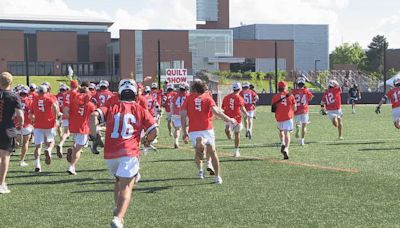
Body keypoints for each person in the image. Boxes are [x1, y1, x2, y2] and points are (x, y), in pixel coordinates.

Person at [90, 79, 158, 228]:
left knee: (119, 181)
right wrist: (147, 141)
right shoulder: (140, 109)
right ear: (135, 93)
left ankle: (117, 207)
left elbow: (93, 116)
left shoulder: (112, 106)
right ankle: (118, 218)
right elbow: (153, 131)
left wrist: (94, 136)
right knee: (127, 186)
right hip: (129, 152)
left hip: (110, 154)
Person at [181, 79, 237, 184]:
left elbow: (183, 115)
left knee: (211, 150)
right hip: (197, 130)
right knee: (201, 146)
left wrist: (184, 131)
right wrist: (230, 119)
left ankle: (217, 176)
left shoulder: (199, 98)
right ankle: (201, 169)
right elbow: (217, 112)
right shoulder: (198, 98)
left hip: (205, 130)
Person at [63, 81, 96, 175]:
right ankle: (72, 166)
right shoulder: (90, 105)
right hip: (83, 127)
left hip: (73, 125)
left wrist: (70, 117)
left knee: (77, 144)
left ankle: (73, 150)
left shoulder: (74, 101)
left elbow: (65, 109)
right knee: (79, 148)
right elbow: (93, 117)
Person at [0, 72, 23, 194]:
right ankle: (1, 184)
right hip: (6, 129)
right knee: (5, 157)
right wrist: (20, 127)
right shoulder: (14, 96)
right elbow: (20, 115)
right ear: (11, 82)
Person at [31, 85, 60, 172]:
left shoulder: (35, 100)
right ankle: (49, 150)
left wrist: (33, 120)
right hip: (49, 123)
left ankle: (38, 165)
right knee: (51, 141)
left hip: (38, 125)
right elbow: (55, 107)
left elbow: (30, 114)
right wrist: (55, 118)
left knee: (38, 146)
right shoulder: (49, 98)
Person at [222, 82, 247, 158]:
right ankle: (236, 150)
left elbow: (223, 107)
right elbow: (242, 109)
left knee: (234, 133)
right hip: (234, 118)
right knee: (231, 132)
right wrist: (246, 114)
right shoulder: (239, 98)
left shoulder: (226, 97)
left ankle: (236, 151)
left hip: (231, 118)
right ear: (240, 89)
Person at [272, 81, 296, 159]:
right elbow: (295, 107)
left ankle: (282, 142)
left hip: (279, 117)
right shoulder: (290, 96)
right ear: (285, 87)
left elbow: (273, 109)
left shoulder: (275, 96)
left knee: (281, 130)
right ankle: (286, 148)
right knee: (287, 133)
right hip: (288, 117)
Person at [57, 80, 79, 156]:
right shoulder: (76, 93)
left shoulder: (66, 93)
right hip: (73, 114)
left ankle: (61, 144)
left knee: (66, 132)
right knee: (76, 132)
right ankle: (75, 148)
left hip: (65, 113)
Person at [291, 78, 314, 146]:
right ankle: (302, 140)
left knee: (298, 124)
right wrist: (307, 100)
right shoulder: (306, 91)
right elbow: (311, 97)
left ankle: (298, 127)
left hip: (296, 110)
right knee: (304, 126)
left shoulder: (294, 91)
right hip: (304, 110)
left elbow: (291, 99)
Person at [17, 86, 33, 167]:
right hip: (26, 125)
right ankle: (21, 161)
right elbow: (31, 115)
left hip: (15, 124)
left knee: (13, 143)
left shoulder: (15, 100)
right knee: (25, 143)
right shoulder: (30, 101)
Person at [170, 82, 189, 148]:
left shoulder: (175, 96)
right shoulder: (187, 95)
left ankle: (176, 141)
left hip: (176, 113)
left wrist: (172, 113)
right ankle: (185, 137)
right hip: (185, 113)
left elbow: (172, 105)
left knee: (177, 128)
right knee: (186, 126)